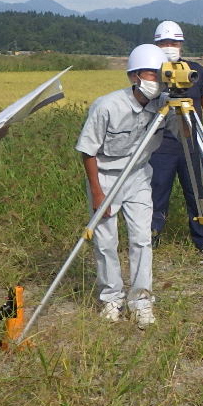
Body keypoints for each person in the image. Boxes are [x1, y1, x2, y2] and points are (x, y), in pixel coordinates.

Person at [77, 44, 168, 326]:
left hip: (139, 175)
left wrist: (184, 102)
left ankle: (141, 301)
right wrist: (96, 191)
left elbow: (186, 133)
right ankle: (111, 298)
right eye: (149, 74)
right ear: (134, 76)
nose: (155, 81)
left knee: (142, 239)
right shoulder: (107, 106)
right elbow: (87, 150)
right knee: (106, 242)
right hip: (105, 176)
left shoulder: (164, 106)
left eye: (159, 75)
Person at [149, 21, 203, 257]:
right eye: (163, 43)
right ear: (156, 45)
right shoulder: (151, 72)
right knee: (156, 191)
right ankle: (151, 237)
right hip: (160, 144)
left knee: (196, 192)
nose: (169, 47)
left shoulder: (196, 71)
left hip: (192, 142)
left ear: (181, 44)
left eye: (173, 42)